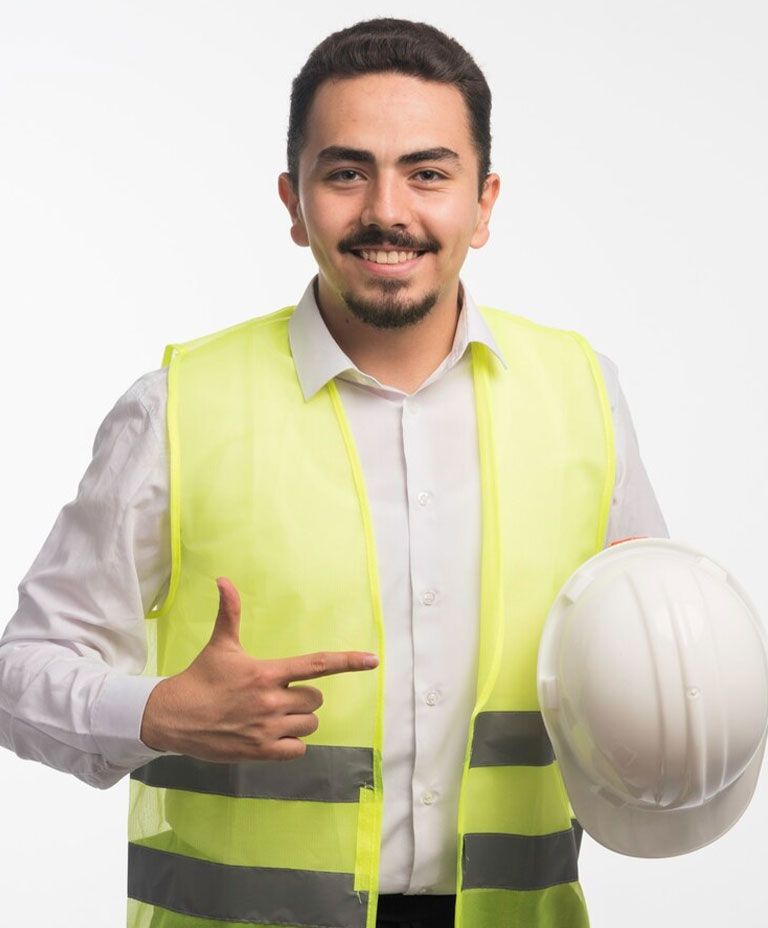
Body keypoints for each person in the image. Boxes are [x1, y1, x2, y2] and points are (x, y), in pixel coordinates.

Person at [0, 17, 667, 928]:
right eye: (347, 172)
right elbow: (21, 672)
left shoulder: (584, 393)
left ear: (484, 204)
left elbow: (663, 662)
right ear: (293, 201)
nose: (387, 210)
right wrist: (154, 711)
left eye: (427, 173)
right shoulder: (177, 408)